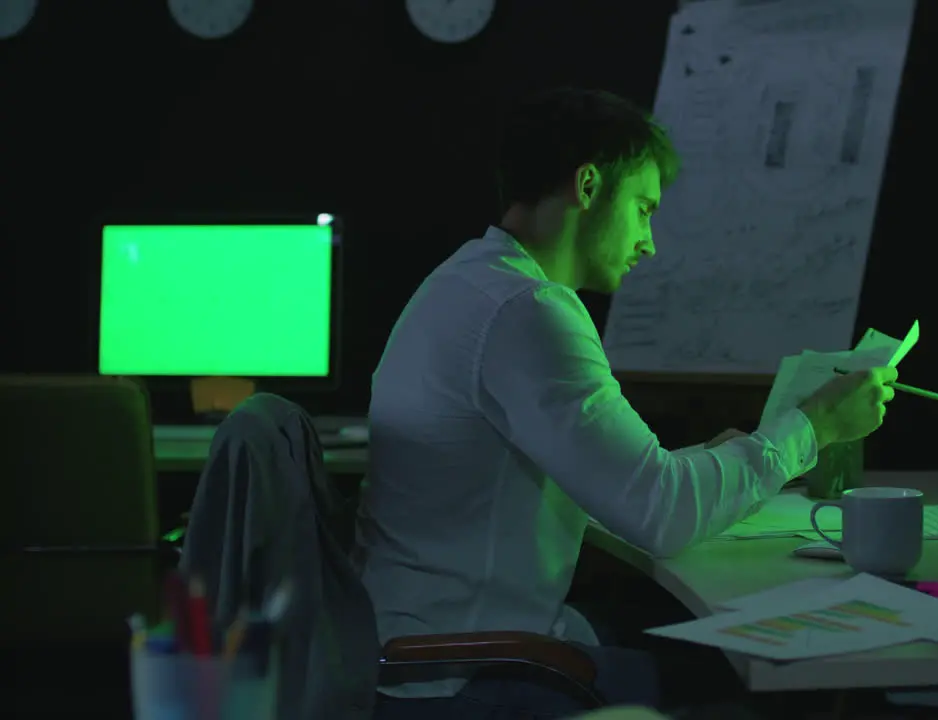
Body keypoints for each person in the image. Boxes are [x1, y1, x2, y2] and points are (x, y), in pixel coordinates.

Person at [355, 87, 898, 719]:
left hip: (423, 655)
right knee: (753, 694)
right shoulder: (527, 311)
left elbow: (617, 481)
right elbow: (658, 512)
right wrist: (815, 425)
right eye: (643, 208)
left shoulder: (467, 281)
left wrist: (704, 461)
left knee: (684, 657)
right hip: (465, 678)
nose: (650, 241)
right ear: (588, 187)